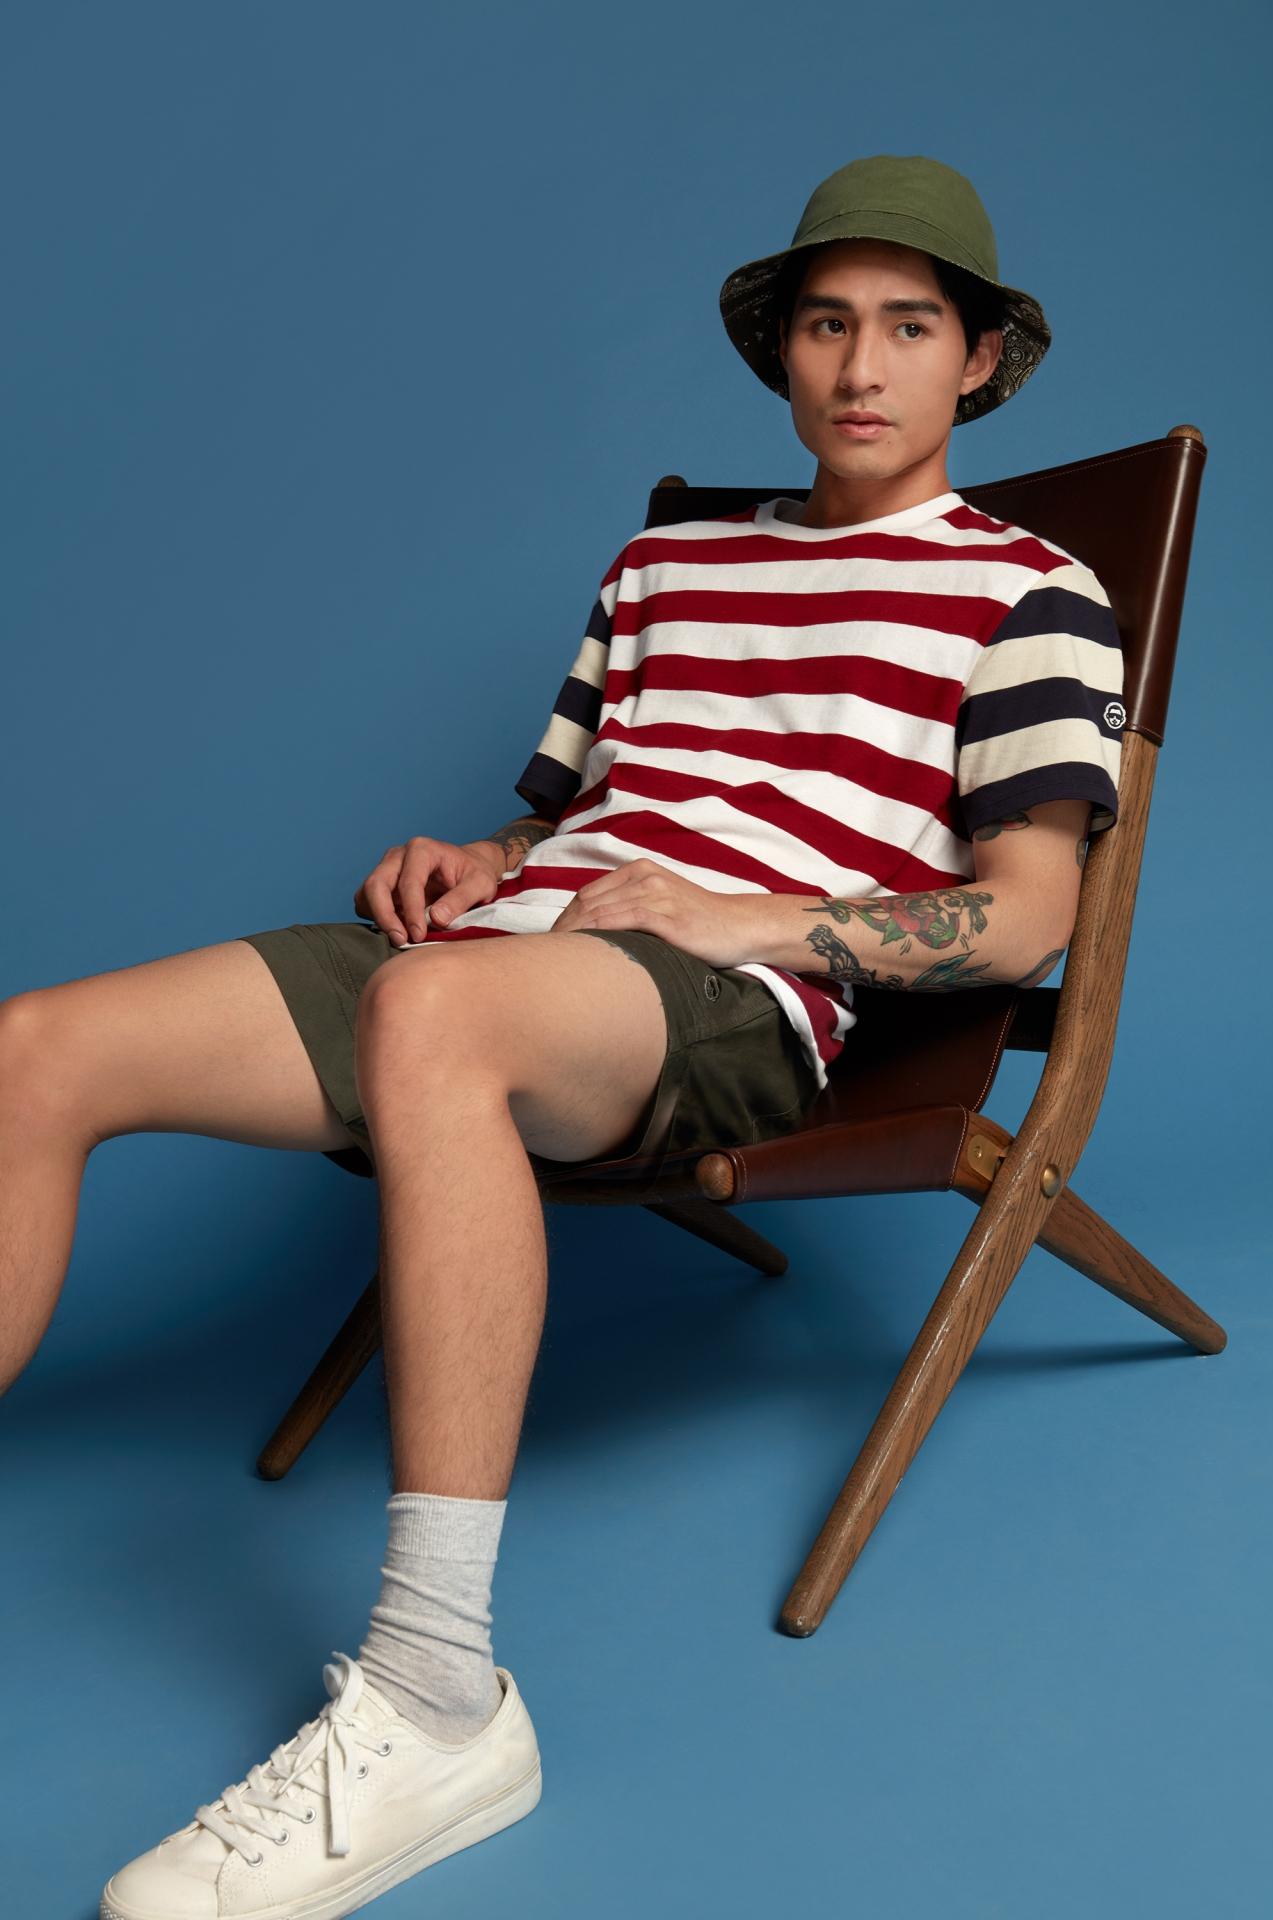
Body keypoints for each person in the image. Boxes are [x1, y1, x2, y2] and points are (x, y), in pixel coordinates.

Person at [1, 154, 1124, 1918]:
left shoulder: (1033, 592)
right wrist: (485, 858)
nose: (862, 366)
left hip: (726, 1004)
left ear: (979, 359)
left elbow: (1031, 913)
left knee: (433, 1014)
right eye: (828, 324)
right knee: (33, 1047)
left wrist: (753, 920)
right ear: (782, 349)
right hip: (511, 954)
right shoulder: (663, 562)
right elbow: (580, 817)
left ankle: (439, 1698)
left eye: (912, 327)